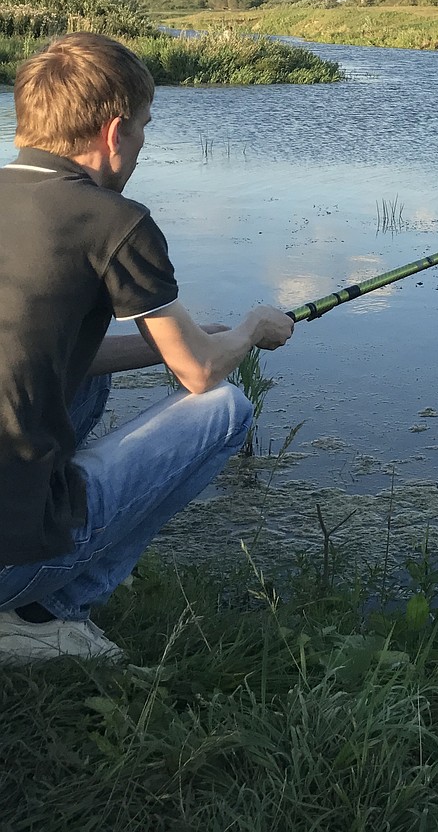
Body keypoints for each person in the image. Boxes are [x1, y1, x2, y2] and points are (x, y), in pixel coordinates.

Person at [0, 32, 295, 664]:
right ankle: (47, 612)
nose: (139, 145)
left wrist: (179, 343)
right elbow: (198, 376)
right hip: (7, 565)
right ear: (113, 132)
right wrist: (248, 332)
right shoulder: (114, 219)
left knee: (91, 374)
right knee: (226, 408)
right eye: (142, 128)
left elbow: (48, 351)